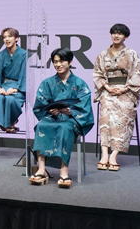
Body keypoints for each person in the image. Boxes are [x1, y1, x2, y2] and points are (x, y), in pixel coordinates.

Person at [30, 48, 94, 188]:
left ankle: (64, 171)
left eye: (61, 61)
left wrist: (70, 111)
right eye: (55, 62)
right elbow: (40, 104)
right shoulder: (47, 83)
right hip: (52, 118)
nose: (58, 65)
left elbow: (85, 108)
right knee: (41, 126)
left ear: (70, 62)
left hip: (72, 120)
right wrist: (50, 110)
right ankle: (41, 169)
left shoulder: (80, 84)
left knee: (64, 128)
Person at [92, 24, 140, 171]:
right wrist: (107, 87)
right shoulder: (102, 54)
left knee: (123, 114)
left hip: (126, 90)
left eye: (120, 33)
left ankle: (114, 155)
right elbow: (97, 73)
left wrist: (125, 88)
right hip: (108, 89)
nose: (116, 36)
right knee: (106, 115)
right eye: (114, 33)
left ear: (125, 36)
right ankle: (104, 154)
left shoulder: (132, 54)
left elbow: (137, 74)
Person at [0, 28, 26, 133]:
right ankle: (2, 123)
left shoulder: (24, 55)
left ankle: (11, 122)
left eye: (10, 36)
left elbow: (24, 74)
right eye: (4, 37)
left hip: (18, 86)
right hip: (3, 85)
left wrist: (15, 89)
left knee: (11, 99)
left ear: (16, 38)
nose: (7, 39)